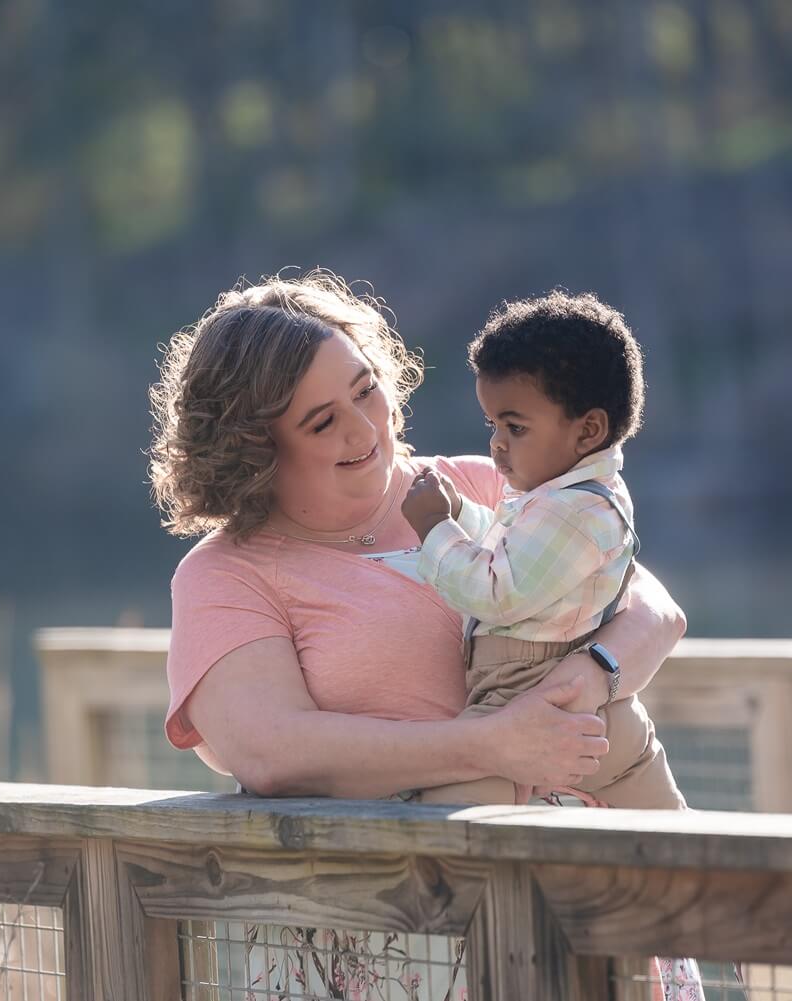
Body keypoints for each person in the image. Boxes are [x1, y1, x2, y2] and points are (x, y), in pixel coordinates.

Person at [149, 270, 688, 801]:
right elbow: (270, 751)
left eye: (365, 391)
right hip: (408, 880)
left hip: (606, 839)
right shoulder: (224, 576)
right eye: (321, 423)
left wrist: (595, 675)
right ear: (252, 449)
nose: (362, 429)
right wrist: (490, 746)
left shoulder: (481, 483)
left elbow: (653, 608)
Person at [402, 291, 686, 811]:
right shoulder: (566, 499)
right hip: (596, 718)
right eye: (492, 426)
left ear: (589, 430)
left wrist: (435, 530)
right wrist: (463, 514)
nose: (496, 445)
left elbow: (497, 592)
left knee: (447, 807)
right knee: (674, 845)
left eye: (516, 427)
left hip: (527, 697)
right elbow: (515, 553)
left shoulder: (573, 513)